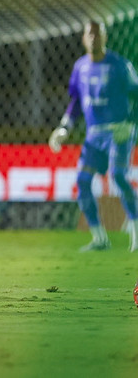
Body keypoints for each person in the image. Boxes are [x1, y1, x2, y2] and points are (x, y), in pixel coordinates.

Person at [48, 20, 138, 252]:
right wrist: (64, 127)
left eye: (98, 34)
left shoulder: (120, 65)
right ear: (83, 38)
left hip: (118, 132)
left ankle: (137, 230)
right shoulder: (80, 68)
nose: (94, 38)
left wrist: (130, 123)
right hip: (94, 136)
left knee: (118, 176)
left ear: (105, 37)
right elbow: (77, 101)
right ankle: (99, 238)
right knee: (82, 181)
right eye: (90, 34)